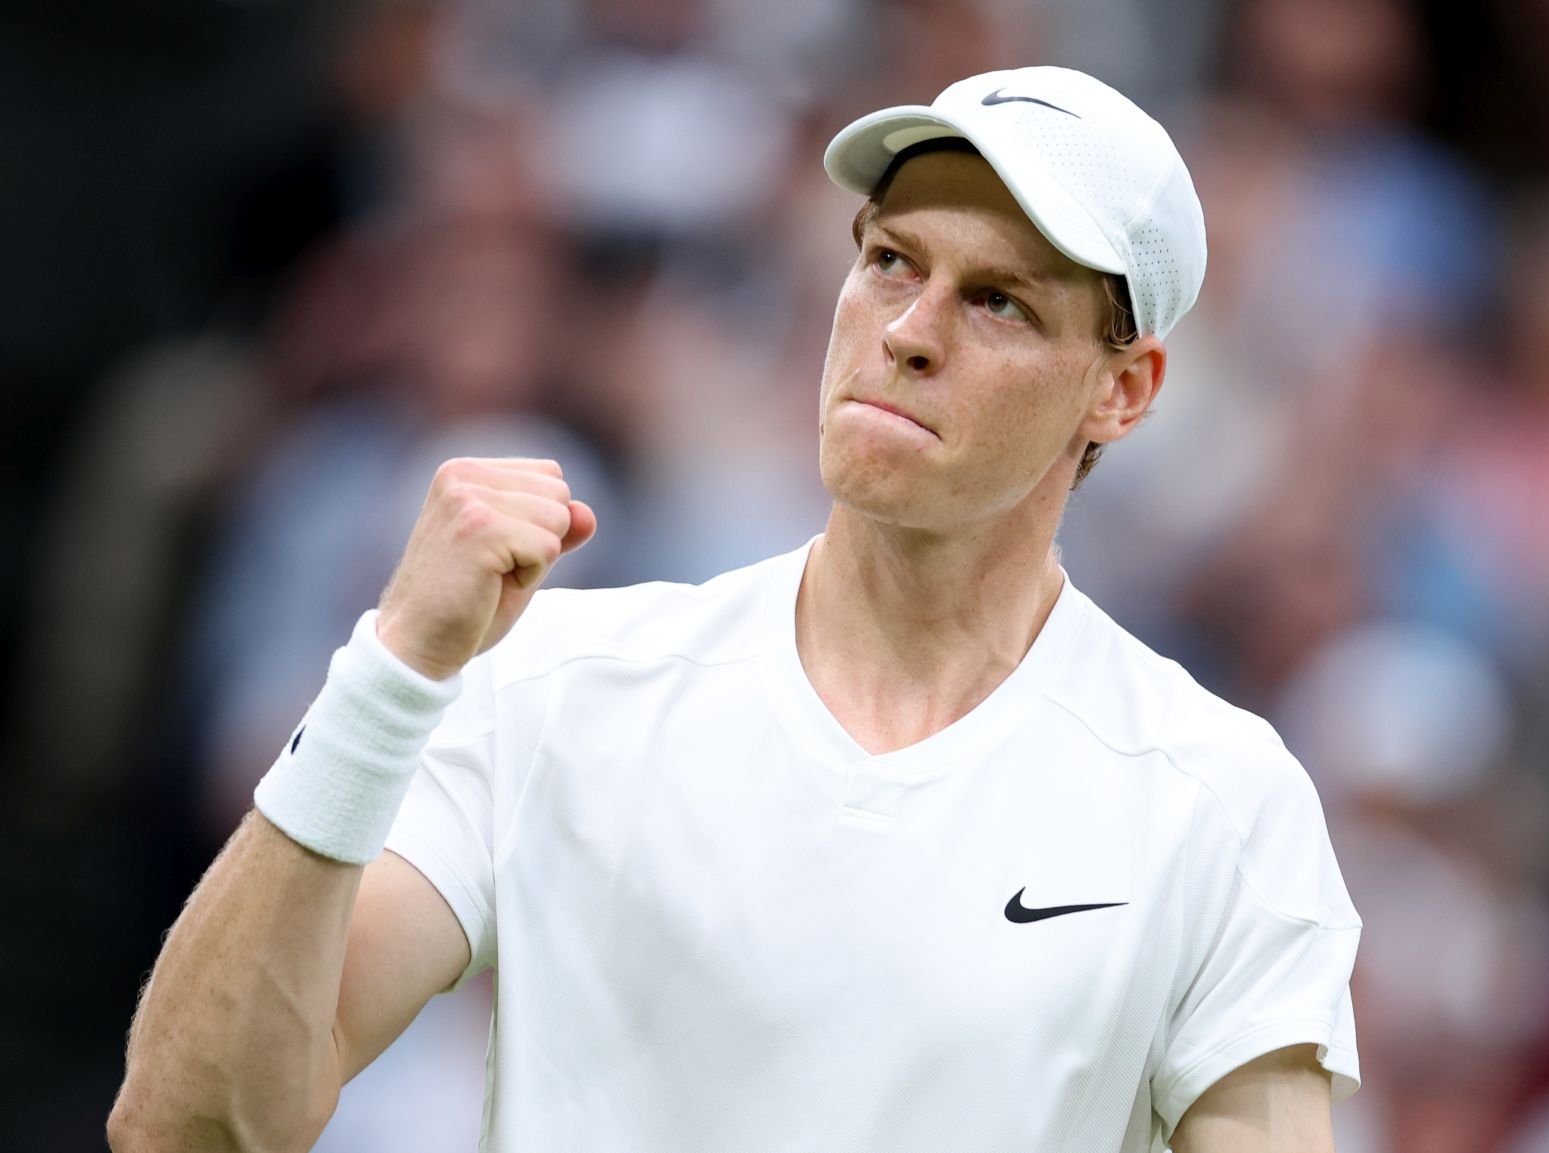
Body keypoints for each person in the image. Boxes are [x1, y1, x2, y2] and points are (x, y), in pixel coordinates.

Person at [109, 67, 1360, 1153]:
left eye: (999, 302)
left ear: (1122, 392)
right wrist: (385, 678)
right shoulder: (552, 682)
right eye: (888, 260)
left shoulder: (1220, 803)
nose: (909, 331)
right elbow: (191, 1124)